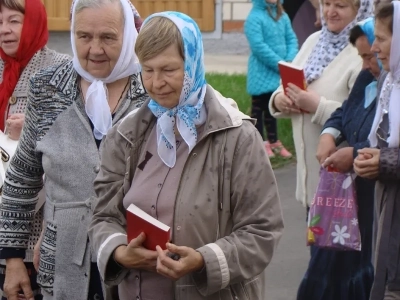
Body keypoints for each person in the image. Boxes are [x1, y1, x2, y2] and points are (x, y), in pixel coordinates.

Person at [89, 11, 284, 300]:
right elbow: (103, 214)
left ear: (192, 62)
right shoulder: (127, 134)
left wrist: (205, 260)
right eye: (148, 70)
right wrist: (119, 251)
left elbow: (262, 230)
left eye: (169, 69)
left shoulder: (236, 137)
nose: (156, 83)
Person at [0, 0, 148, 299]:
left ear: (128, 36)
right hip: (63, 262)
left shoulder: (151, 91)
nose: (95, 49)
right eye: (84, 36)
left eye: (107, 37)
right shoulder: (48, 88)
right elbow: (21, 180)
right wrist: (13, 258)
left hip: (137, 260)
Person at [298, 17, 384, 300]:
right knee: (328, 265)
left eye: (370, 56)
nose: (365, 64)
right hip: (345, 197)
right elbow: (344, 111)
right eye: (362, 56)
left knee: (356, 268)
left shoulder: (393, 88)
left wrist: (355, 154)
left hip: (375, 199)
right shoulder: (368, 77)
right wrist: (329, 134)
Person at [268, 0, 373, 209]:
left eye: (340, 6)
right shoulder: (315, 41)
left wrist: (318, 106)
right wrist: (279, 100)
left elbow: (364, 117)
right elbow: (286, 82)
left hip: (342, 186)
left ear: (358, 9)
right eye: (326, 4)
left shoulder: (363, 52)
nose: (330, 12)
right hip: (310, 182)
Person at [0, 0, 70, 299]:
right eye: (0, 21)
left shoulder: (61, 69)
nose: (4, 30)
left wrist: (32, 128)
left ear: (34, 23)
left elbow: (74, 140)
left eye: (14, 21)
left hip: (35, 235)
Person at [354, 2, 400, 299]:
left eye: (382, 39)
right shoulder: (390, 82)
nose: (375, 47)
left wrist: (385, 161)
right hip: (388, 205)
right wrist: (375, 155)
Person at [244, 0, 298, 158]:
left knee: (272, 108)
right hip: (261, 72)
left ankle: (274, 141)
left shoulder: (283, 16)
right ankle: (258, 142)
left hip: (279, 71)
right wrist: (280, 63)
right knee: (258, 109)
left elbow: (291, 39)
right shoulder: (254, 18)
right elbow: (258, 46)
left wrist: (290, 59)